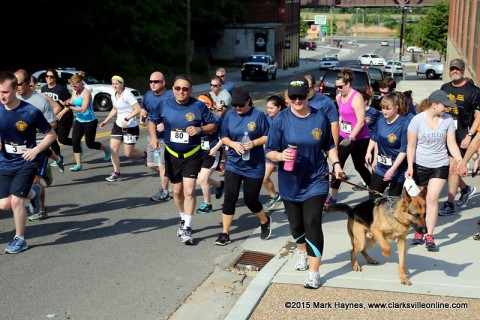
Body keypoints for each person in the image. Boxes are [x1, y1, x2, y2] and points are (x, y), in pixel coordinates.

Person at [265, 76, 345, 289]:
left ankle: (314, 272)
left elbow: (329, 145)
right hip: (290, 181)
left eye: (301, 96)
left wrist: (336, 164)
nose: (297, 100)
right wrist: (280, 157)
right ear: (288, 98)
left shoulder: (320, 118)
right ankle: (302, 251)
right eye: (293, 97)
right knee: (296, 225)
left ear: (308, 94)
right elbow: (269, 150)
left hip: (316, 179)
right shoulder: (281, 120)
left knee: (312, 223)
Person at [148, 75, 217, 245]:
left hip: (192, 154)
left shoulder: (198, 105)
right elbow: (152, 120)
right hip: (171, 154)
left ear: (190, 90)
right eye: (178, 88)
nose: (181, 91)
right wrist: (153, 137)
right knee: (176, 192)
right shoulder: (164, 104)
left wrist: (199, 129)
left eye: (185, 89)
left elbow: (212, 125)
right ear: (173, 89)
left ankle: (187, 226)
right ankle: (182, 218)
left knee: (189, 191)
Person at [0, 71, 57, 253]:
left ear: (16, 89)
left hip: (26, 162)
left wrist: (37, 150)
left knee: (16, 202)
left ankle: (20, 239)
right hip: (4, 161)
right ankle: (34, 193)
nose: (2, 96)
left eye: (6, 92)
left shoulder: (30, 111)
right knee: (4, 205)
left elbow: (51, 134)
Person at [405, 90, 462, 251]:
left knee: (432, 198)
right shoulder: (417, 120)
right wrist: (410, 166)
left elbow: (451, 144)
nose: (447, 109)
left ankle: (429, 234)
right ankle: (419, 231)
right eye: (445, 106)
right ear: (435, 104)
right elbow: (411, 146)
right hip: (420, 165)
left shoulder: (448, 120)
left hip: (440, 164)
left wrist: (460, 161)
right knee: (420, 201)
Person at [214, 88, 272, 246]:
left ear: (248, 102)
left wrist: (253, 143)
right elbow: (223, 136)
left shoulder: (258, 116)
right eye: (235, 106)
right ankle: (225, 233)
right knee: (230, 197)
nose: (237, 109)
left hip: (254, 166)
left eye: (241, 106)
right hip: (234, 163)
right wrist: (233, 144)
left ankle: (265, 220)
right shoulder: (229, 115)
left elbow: (267, 136)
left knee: (250, 200)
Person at [15, 69, 59, 221]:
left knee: (34, 180)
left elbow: (53, 123)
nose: (16, 87)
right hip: (16, 146)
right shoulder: (11, 98)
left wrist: (33, 126)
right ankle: (46, 172)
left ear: (28, 83)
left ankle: (41, 209)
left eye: (19, 84)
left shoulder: (40, 101)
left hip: (37, 145)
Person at [438, 59, 480, 216]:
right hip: (445, 136)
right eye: (452, 69)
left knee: (453, 169)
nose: (455, 71)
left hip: (462, 137)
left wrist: (469, 136)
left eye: (458, 69)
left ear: (463, 70)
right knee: (446, 170)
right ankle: (465, 189)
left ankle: (449, 204)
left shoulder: (473, 91)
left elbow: (478, 116)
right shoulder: (444, 88)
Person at [327, 69, 371, 206]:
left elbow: (360, 121)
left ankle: (374, 190)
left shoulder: (357, 97)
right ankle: (333, 196)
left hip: (359, 138)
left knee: (359, 166)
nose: (339, 89)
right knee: (337, 164)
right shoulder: (339, 97)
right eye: (337, 87)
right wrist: (338, 130)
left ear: (348, 84)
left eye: (341, 86)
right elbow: (341, 115)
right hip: (344, 135)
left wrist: (351, 138)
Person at [99, 75, 145, 182]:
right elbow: (114, 109)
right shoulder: (113, 94)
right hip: (118, 126)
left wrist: (127, 118)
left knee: (129, 153)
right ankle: (117, 173)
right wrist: (105, 121)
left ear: (122, 84)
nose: (114, 86)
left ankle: (146, 155)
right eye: (113, 83)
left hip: (130, 127)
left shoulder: (127, 94)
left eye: (117, 83)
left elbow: (138, 108)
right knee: (113, 150)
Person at [366, 92, 410, 198]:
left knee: (392, 199)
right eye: (383, 108)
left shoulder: (404, 124)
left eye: (388, 109)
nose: (384, 112)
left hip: (398, 167)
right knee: (373, 196)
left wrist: (392, 169)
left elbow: (403, 150)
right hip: (381, 165)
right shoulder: (380, 120)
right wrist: (371, 155)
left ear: (396, 107)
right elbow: (376, 139)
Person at [66, 72, 111, 171]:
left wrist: (71, 107)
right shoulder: (74, 92)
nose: (74, 86)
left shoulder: (86, 93)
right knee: (75, 141)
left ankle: (107, 149)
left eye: (76, 84)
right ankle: (78, 165)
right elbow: (72, 102)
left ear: (81, 83)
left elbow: (83, 109)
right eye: (72, 85)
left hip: (90, 120)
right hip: (79, 120)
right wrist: (66, 103)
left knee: (90, 144)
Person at [140, 71, 173, 201]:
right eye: (151, 82)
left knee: (162, 164)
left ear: (163, 82)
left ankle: (165, 192)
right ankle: (173, 178)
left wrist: (166, 124)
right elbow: (144, 108)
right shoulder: (148, 95)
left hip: (166, 137)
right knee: (151, 164)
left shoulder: (170, 96)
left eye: (156, 82)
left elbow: (176, 113)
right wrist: (142, 118)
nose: (152, 84)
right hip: (153, 135)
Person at [195, 95, 226, 214]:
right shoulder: (193, 119)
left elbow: (224, 137)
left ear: (208, 106)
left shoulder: (216, 119)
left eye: (202, 103)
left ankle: (207, 204)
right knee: (199, 180)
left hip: (212, 153)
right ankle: (219, 185)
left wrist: (216, 148)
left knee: (203, 179)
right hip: (198, 153)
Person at [40, 69, 73, 169]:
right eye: (47, 76)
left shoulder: (60, 89)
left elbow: (70, 102)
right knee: (51, 138)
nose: (49, 78)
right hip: (51, 118)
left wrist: (62, 112)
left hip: (64, 116)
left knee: (62, 139)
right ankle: (59, 157)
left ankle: (76, 143)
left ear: (55, 78)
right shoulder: (43, 88)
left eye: (51, 76)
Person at [262, 95, 286, 211]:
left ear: (279, 107)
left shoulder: (285, 118)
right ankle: (274, 196)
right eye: (267, 108)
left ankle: (289, 204)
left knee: (285, 182)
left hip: (283, 155)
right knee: (263, 177)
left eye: (271, 108)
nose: (268, 110)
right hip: (271, 154)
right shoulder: (267, 119)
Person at [304, 74, 339, 147]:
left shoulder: (325, 102)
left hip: (319, 144)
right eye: (303, 88)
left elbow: (334, 124)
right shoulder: (298, 101)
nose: (305, 91)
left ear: (314, 87)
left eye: (308, 89)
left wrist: (334, 149)